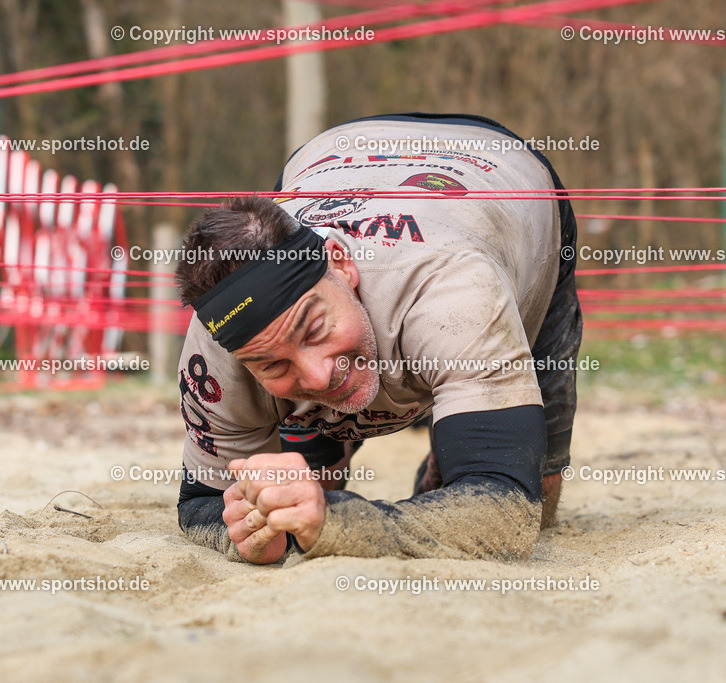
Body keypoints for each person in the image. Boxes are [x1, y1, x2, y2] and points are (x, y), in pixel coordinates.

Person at [174, 113, 582, 564]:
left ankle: (452, 444)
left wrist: (339, 524)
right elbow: (200, 502)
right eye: (273, 365)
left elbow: (508, 517)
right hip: (328, 153)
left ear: (341, 265)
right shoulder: (216, 352)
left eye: (313, 329)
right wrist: (250, 525)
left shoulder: (454, 291)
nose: (318, 374)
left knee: (536, 489)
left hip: (511, 177)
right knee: (301, 490)